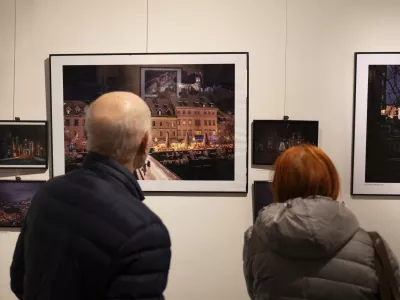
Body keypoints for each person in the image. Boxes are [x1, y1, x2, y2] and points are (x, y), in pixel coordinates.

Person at [10, 92, 171, 300]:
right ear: (145, 141)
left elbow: (19, 281)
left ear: (87, 137)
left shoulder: (48, 192)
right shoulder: (145, 231)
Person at [243, 144, 400, 300]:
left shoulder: (256, 240)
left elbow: (255, 292)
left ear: (279, 185)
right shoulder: (373, 245)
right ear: (331, 181)